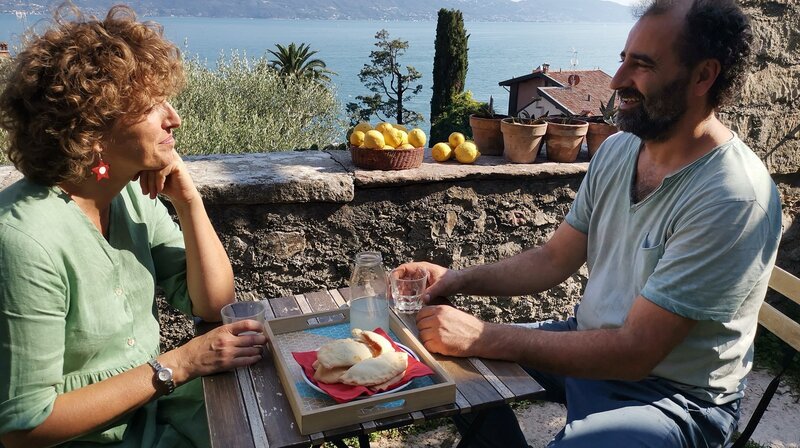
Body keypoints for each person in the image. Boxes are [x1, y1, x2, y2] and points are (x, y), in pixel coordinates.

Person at [401, 0, 782, 446]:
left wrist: (485, 335)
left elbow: (635, 352)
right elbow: (552, 258)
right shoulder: (620, 150)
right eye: (623, 59)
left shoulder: (732, 197)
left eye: (642, 65)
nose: (618, 80)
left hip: (673, 397)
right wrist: (455, 280)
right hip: (589, 340)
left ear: (704, 75)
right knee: (435, 359)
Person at [0, 6, 265, 448]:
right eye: (151, 106)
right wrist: (178, 365)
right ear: (92, 128)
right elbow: (24, 427)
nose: (173, 118)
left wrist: (188, 201)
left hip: (154, 422)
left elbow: (214, 304)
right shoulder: (23, 241)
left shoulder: (124, 196)